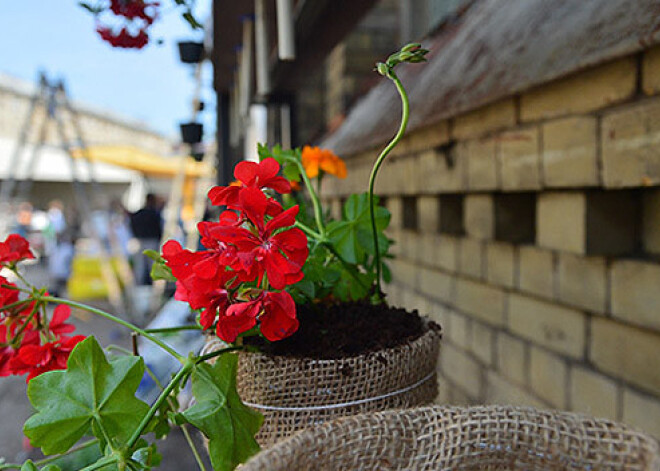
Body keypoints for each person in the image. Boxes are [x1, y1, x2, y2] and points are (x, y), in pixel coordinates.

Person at [130, 193, 163, 285]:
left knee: (140, 266)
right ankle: (155, 286)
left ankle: (139, 285)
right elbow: (159, 228)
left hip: (140, 240)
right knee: (152, 265)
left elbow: (132, 223)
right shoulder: (154, 214)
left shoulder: (139, 213)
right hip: (151, 240)